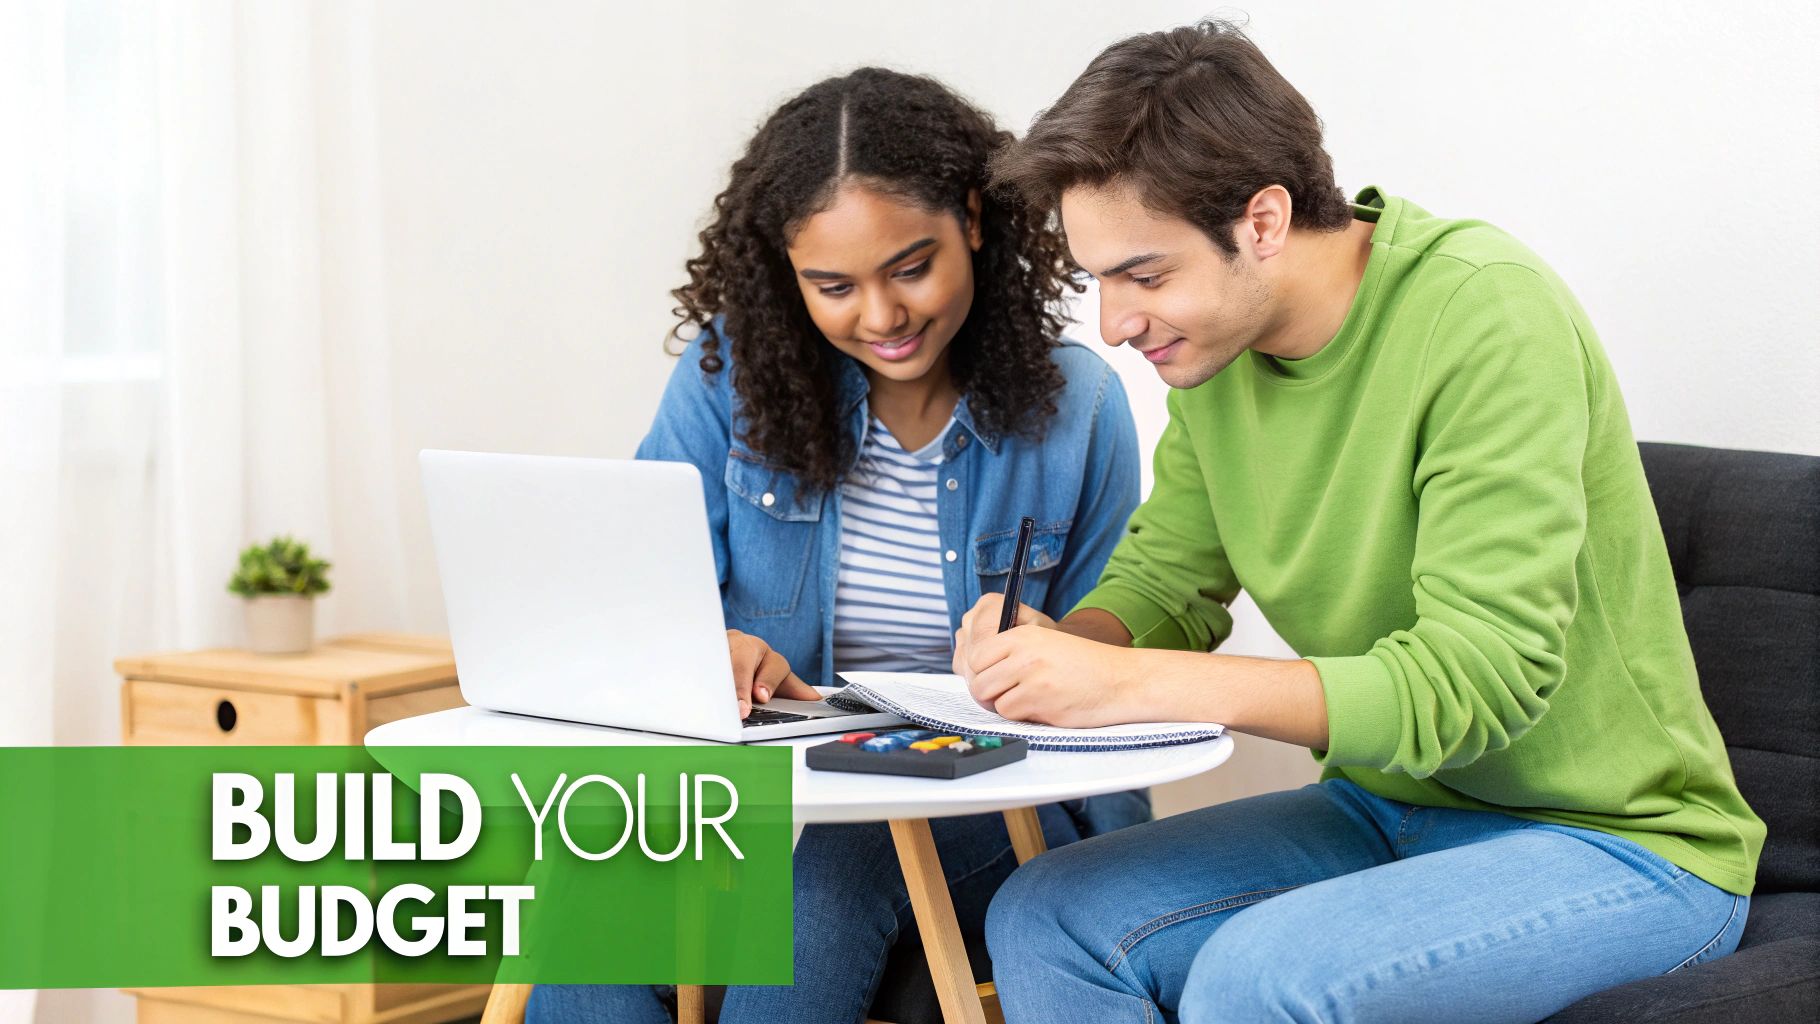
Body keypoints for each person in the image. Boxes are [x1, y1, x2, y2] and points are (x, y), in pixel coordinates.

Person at [955, 21, 1765, 1024]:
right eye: (1099, 280)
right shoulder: (1212, 354)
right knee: (1046, 914)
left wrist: (1133, 683)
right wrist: (1058, 649)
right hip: (1387, 807)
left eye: (1144, 274)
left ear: (1261, 220)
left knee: (1260, 977)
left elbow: (1476, 680)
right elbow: (1166, 581)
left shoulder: (1481, 315)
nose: (1114, 324)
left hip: (1621, 844)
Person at [527, 67, 1146, 1023]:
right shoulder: (727, 384)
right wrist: (703, 652)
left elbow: (1121, 661)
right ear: (789, 275)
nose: (882, 316)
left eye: (910, 266)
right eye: (833, 286)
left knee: (833, 867)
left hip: (982, 803)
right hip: (769, 794)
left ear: (974, 220)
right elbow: (633, 610)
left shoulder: (1077, 410)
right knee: (587, 914)